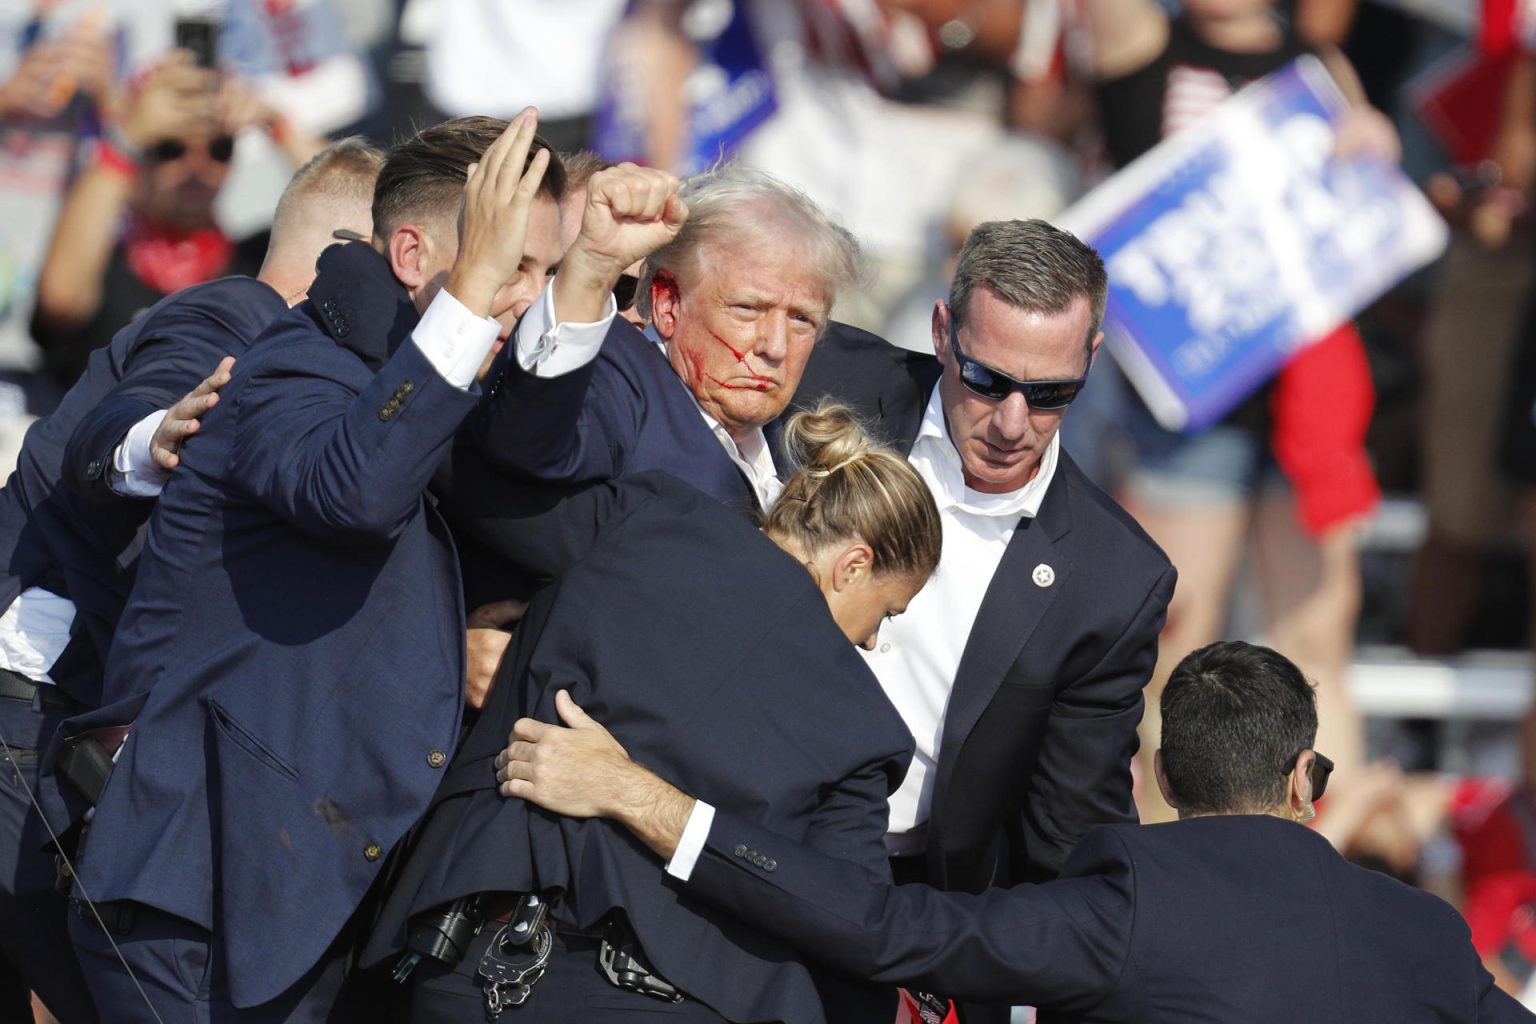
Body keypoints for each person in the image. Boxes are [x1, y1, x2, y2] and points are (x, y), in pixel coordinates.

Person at [48, 111, 635, 1022]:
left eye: (542, 271)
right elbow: (352, 489)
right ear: (412, 254)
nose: (528, 295)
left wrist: (590, 275)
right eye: (517, 263)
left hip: (299, 896)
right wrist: (473, 290)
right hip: (191, 890)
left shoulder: (435, 374)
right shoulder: (291, 363)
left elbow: (527, 463)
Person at [497, 640, 1534, 1024]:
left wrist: (646, 797)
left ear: (1156, 778)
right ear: (1307, 777)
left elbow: (881, 925)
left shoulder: (1124, 909)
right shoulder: (1428, 939)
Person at [365, 402, 940, 1023]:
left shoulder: (649, 515)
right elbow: (848, 913)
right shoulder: (864, 723)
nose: (873, 642)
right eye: (887, 613)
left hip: (468, 965)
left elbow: (482, 493)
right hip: (664, 1002)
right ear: (853, 564)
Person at [0, 136, 380, 1024]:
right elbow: (140, 416)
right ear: (353, 259)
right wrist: (152, 437)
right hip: (30, 736)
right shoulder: (233, 319)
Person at [780, 217, 1173, 1021]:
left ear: (1091, 360)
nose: (1012, 422)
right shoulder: (823, 376)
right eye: (986, 379)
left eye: (1052, 393)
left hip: (912, 906)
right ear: (939, 332)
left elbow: (1070, 836)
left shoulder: (1113, 580)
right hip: (739, 826)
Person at [471, 162, 856, 517]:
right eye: (747, 309)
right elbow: (529, 440)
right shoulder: (617, 380)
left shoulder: (805, 445)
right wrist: (592, 266)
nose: (775, 347)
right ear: (668, 304)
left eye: (801, 319)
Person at [30, 50, 326, 391]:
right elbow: (60, 299)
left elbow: (369, 224)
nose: (196, 167)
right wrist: (127, 137)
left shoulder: (263, 264)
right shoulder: (100, 270)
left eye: (219, 148)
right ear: (138, 157)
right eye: (170, 148)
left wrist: (276, 123)